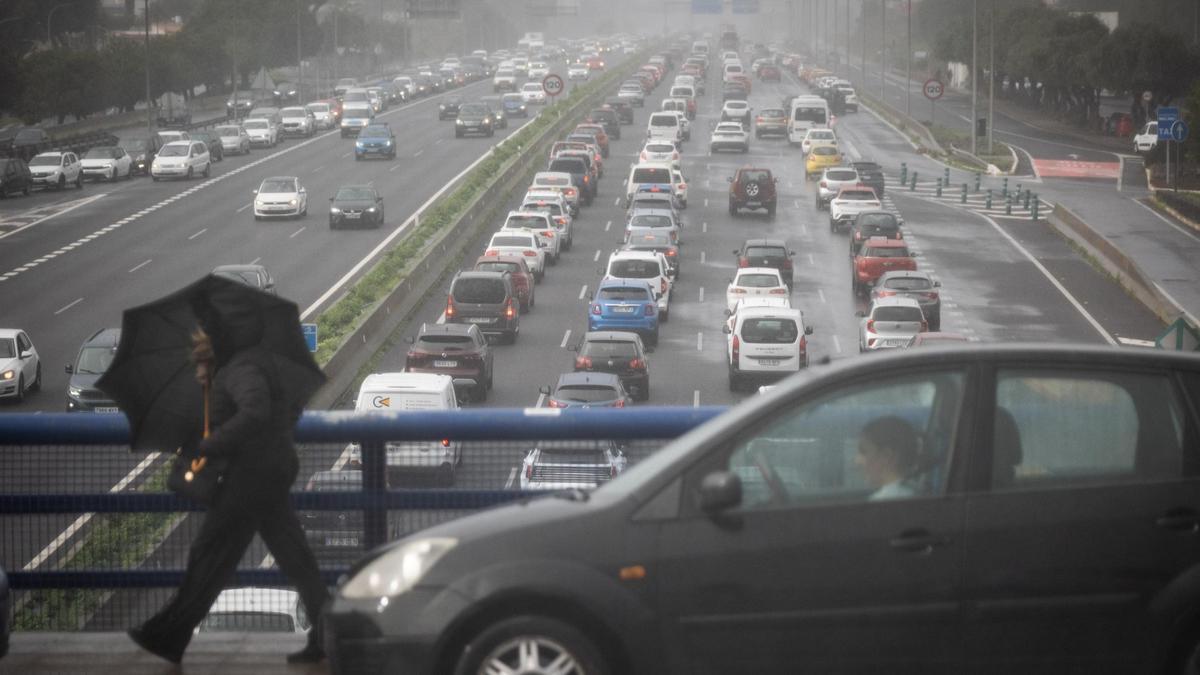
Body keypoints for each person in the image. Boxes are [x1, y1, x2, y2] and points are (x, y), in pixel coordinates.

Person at [127, 293, 329, 665]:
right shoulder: (248, 362)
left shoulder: (241, 369)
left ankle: (170, 634)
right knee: (292, 556)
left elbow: (254, 411)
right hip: (268, 469)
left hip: (252, 476)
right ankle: (330, 634)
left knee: (209, 553)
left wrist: (211, 443)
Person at [855, 416, 920, 501]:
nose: (857, 461)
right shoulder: (917, 491)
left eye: (864, 452)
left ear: (886, 456)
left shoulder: (881, 502)